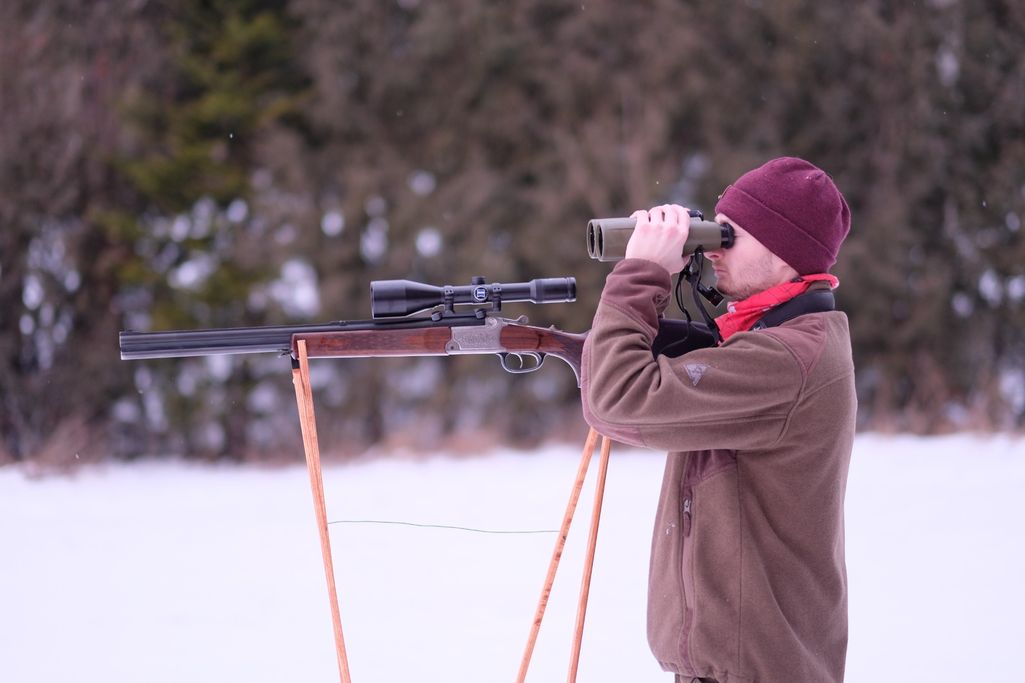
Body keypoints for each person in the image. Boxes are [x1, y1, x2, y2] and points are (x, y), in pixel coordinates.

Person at [581, 157, 855, 683]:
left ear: (784, 252)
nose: (711, 247)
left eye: (730, 235)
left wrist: (642, 275)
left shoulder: (786, 359)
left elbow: (618, 398)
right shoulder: (780, 342)